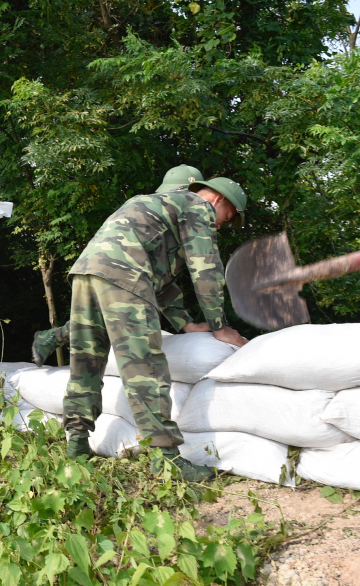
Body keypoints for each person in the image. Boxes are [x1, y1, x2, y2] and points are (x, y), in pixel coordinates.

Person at [63, 176, 249, 481]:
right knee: (144, 365)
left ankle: (77, 445)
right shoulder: (198, 206)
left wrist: (186, 323)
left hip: (87, 270)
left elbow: (161, 282)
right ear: (217, 200)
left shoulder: (157, 206)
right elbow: (205, 267)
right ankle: (165, 459)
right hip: (125, 274)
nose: (220, 227)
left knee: (86, 361)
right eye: (226, 218)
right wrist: (219, 326)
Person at [30, 164, 206, 366]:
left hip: (98, 268)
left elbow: (162, 281)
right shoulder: (163, 222)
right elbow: (162, 279)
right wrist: (188, 323)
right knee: (106, 322)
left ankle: (50, 338)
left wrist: (186, 323)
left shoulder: (146, 207)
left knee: (96, 321)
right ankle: (51, 338)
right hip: (119, 273)